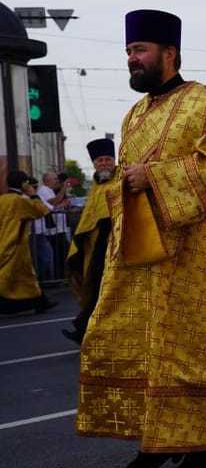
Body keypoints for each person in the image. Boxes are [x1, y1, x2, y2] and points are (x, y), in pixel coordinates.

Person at [76, 9, 206, 468]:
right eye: (128, 52)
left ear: (169, 54)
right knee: (142, 347)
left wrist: (157, 178)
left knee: (191, 354)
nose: (131, 60)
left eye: (139, 51)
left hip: (197, 257)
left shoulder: (204, 105)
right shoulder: (135, 115)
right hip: (142, 256)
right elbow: (127, 178)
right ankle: (157, 439)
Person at [62, 138, 117, 344]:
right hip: (96, 247)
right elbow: (89, 218)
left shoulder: (121, 179)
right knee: (95, 288)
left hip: (116, 245)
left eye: (107, 159)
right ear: (94, 164)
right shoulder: (95, 184)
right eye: (99, 160)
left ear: (114, 160)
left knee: (103, 290)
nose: (104, 163)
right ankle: (86, 330)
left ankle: (83, 329)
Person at [0, 171, 56, 314]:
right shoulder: (20, 200)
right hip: (16, 244)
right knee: (15, 275)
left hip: (4, 241)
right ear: (23, 184)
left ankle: (40, 302)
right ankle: (38, 302)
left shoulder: (3, 199)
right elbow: (41, 210)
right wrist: (33, 194)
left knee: (26, 276)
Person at [31, 170, 68, 281]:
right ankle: (57, 278)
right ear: (48, 181)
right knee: (57, 255)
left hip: (58, 228)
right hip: (53, 230)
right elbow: (54, 203)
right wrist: (63, 188)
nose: (58, 181)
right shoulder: (45, 190)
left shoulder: (50, 190)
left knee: (60, 254)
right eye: (55, 179)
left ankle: (60, 277)